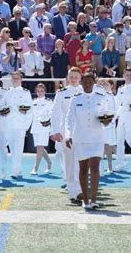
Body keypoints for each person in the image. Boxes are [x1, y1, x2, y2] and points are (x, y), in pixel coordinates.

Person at [66, 72, 111, 209]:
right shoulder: (76, 99)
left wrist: (107, 120)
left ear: (94, 82)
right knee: (83, 168)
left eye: (90, 82)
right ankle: (85, 199)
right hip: (80, 138)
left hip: (97, 138)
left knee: (95, 167)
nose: (87, 85)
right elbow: (70, 119)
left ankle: (94, 198)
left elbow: (108, 114)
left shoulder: (101, 97)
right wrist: (68, 135)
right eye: (85, 82)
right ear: (81, 83)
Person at [50, 67, 83, 201]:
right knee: (69, 163)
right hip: (66, 132)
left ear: (80, 78)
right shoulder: (62, 93)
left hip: (82, 132)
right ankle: (72, 190)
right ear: (67, 78)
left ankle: (80, 189)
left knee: (81, 162)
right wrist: (55, 131)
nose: (74, 79)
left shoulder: (85, 91)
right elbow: (56, 112)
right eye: (71, 76)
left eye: (76, 76)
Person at [3, 71, 32, 179]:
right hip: (9, 123)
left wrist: (26, 127)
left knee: (18, 148)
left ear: (21, 79)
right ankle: (18, 166)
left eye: (17, 78)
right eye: (13, 78)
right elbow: (4, 108)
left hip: (20, 124)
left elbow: (30, 110)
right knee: (12, 148)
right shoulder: (7, 92)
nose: (15, 80)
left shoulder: (25, 92)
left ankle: (14, 171)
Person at [30, 83, 53, 175]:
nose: (40, 93)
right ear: (36, 91)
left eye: (42, 91)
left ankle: (35, 168)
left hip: (44, 126)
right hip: (35, 126)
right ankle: (49, 162)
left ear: (45, 91)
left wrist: (46, 121)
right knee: (40, 147)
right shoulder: (33, 101)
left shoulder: (48, 101)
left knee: (40, 146)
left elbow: (51, 114)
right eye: (38, 91)